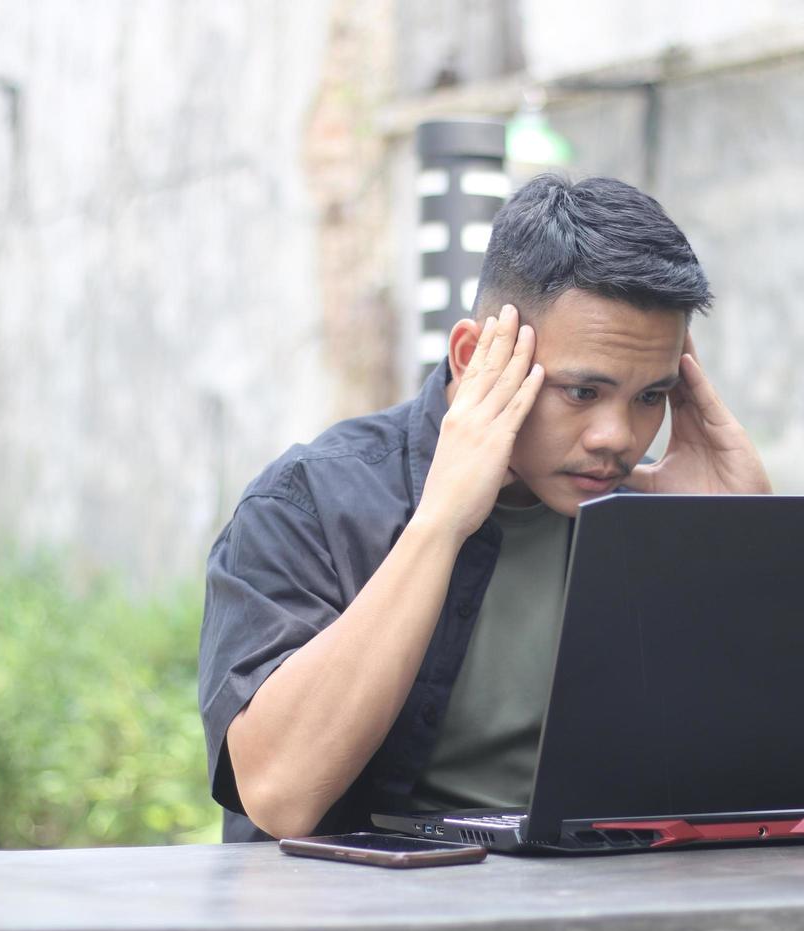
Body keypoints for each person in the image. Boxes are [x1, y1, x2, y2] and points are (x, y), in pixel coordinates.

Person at [198, 174, 771, 843]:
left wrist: (742, 543)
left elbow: (770, 778)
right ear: (474, 358)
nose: (617, 437)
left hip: (605, 914)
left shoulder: (645, 515)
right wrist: (441, 523)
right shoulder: (310, 503)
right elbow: (280, 794)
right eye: (583, 391)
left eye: (651, 397)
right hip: (374, 925)